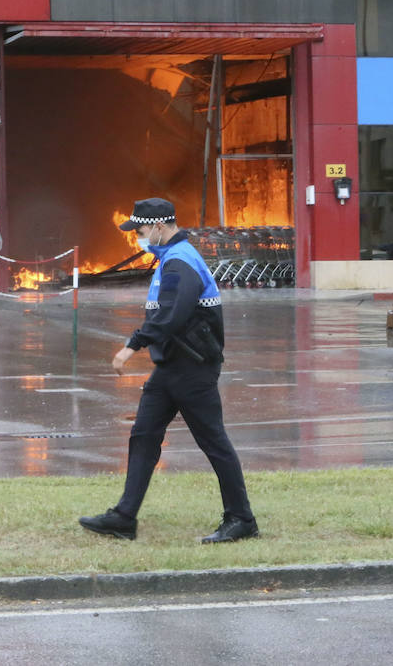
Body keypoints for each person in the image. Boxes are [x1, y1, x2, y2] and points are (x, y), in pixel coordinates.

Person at [78, 197, 258, 544]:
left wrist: (131, 346)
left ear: (159, 226)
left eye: (142, 230)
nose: (139, 237)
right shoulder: (172, 259)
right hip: (171, 367)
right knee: (143, 436)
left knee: (214, 443)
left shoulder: (180, 262)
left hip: (192, 369)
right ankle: (124, 518)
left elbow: (170, 315)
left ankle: (241, 519)